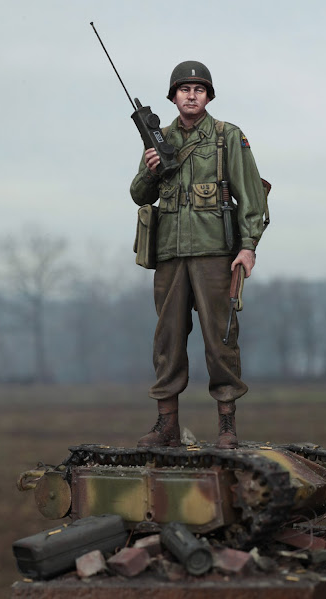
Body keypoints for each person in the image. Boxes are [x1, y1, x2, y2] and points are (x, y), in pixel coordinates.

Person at [130, 61, 266, 449]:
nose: (191, 95)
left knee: (220, 339)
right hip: (170, 253)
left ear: (208, 96)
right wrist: (151, 170)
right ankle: (167, 424)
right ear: (173, 97)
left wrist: (248, 247)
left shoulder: (227, 137)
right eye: (184, 89)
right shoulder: (159, 138)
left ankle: (227, 425)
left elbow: (251, 197)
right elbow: (139, 195)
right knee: (167, 340)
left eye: (199, 89)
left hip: (214, 253)